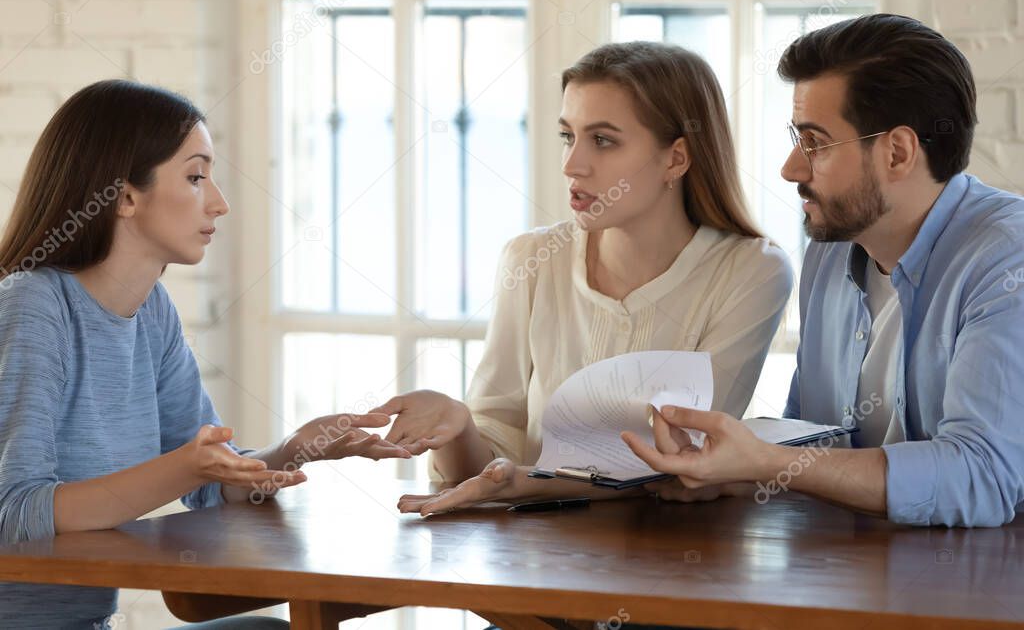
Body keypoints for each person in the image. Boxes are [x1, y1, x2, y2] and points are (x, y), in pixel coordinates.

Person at [0, 80, 410, 628]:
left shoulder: (151, 311)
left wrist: (294, 448)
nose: (219, 201)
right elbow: (13, 515)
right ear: (124, 196)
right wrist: (184, 467)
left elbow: (212, 485)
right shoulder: (32, 305)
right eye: (196, 177)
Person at [622, 13, 1024, 528]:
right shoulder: (832, 249)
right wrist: (731, 468)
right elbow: (815, 441)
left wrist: (769, 462)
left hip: (982, 591)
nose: (791, 168)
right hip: (849, 574)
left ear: (897, 152)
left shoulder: (1004, 260)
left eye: (814, 142)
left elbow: (983, 477)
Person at [382, 41, 793, 514]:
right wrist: (457, 430)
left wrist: (525, 483)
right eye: (567, 136)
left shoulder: (752, 273)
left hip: (672, 560)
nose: (571, 165)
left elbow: (686, 465)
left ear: (676, 158)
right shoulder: (531, 260)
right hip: (531, 562)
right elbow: (487, 470)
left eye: (602, 140)